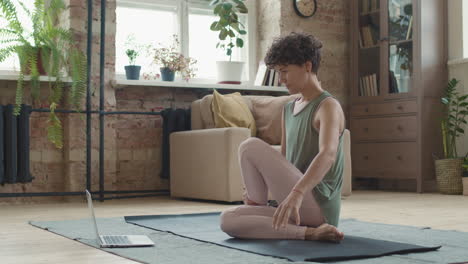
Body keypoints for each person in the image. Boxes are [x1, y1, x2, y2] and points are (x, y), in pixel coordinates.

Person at [219, 32, 346, 242]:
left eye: (285, 71)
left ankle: (265, 207)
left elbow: (328, 155)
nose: (281, 79)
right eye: (279, 72)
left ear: (307, 66)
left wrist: (296, 194)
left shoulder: (328, 106)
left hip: (318, 204)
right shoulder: (288, 109)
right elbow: (286, 163)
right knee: (228, 219)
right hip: (295, 204)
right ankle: (309, 233)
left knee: (249, 146)